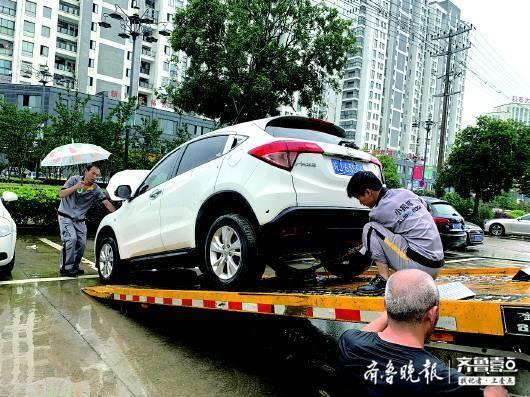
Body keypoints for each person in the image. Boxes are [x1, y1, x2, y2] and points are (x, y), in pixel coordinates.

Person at [337, 269, 508, 397]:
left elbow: (367, 332)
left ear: (386, 305)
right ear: (433, 313)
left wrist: (396, 302)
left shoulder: (349, 343)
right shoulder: (447, 380)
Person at [347, 171, 444, 295]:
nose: (360, 202)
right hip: (436, 264)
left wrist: (355, 260)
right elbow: (427, 208)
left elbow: (374, 242)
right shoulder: (405, 193)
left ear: (368, 192)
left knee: (370, 228)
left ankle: (383, 280)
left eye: (359, 197)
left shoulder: (377, 213)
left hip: (421, 267)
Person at [58, 164, 116, 277]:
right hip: (66, 216)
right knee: (71, 239)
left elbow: (106, 203)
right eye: (93, 173)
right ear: (86, 171)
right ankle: (65, 267)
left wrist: (118, 214)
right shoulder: (74, 180)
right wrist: (76, 187)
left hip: (80, 219)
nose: (94, 177)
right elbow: (61, 194)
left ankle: (74, 266)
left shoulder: (95, 189)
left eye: (97, 175)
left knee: (82, 244)